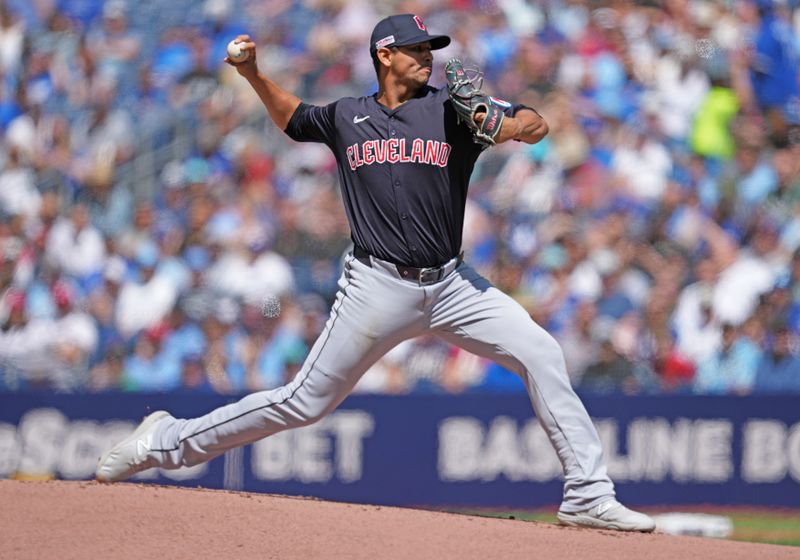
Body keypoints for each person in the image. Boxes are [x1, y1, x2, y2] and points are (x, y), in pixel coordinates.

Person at [95, 14, 654, 532]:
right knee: (304, 403)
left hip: (453, 284)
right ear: (383, 54)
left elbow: (537, 124)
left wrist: (500, 123)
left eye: (431, 49)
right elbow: (293, 118)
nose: (428, 57)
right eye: (416, 49)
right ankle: (164, 441)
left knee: (541, 351)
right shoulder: (346, 116)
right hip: (377, 284)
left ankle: (587, 492)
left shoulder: (451, 110)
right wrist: (253, 73)